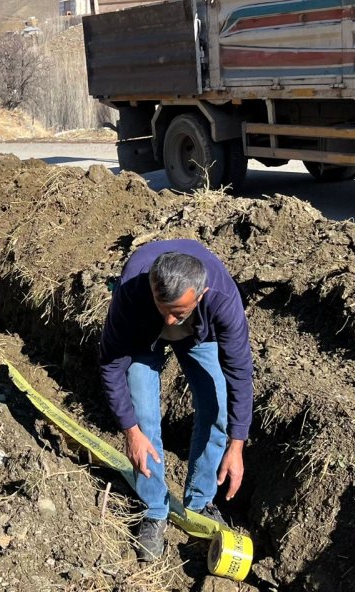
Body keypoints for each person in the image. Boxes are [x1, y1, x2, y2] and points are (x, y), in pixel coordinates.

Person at [97, 239, 253, 562]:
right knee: (143, 413)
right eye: (163, 308)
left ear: (200, 295)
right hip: (142, 334)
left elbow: (239, 372)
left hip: (198, 333)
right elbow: (111, 362)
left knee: (217, 405)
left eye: (177, 312)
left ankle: (200, 503)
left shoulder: (222, 300)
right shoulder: (131, 292)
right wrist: (131, 431)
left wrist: (237, 445)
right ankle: (153, 509)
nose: (169, 320)